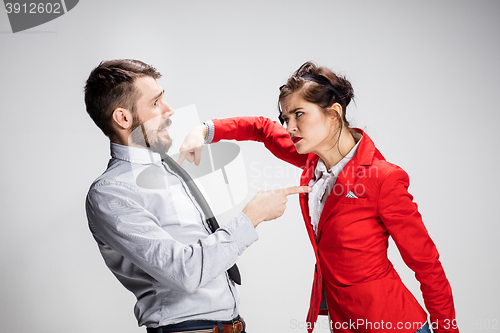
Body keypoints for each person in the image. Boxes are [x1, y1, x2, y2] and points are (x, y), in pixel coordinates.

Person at [179, 62, 459, 333]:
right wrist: (203, 130)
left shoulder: (383, 179)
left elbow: (427, 266)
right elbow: (261, 129)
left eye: (299, 114)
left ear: (334, 113)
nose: (289, 127)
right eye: (285, 118)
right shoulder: (313, 161)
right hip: (343, 323)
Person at [83, 59, 311, 333]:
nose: (169, 111)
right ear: (123, 118)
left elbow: (262, 129)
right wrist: (251, 217)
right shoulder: (111, 194)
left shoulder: (165, 166)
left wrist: (206, 130)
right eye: (156, 104)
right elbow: (184, 272)